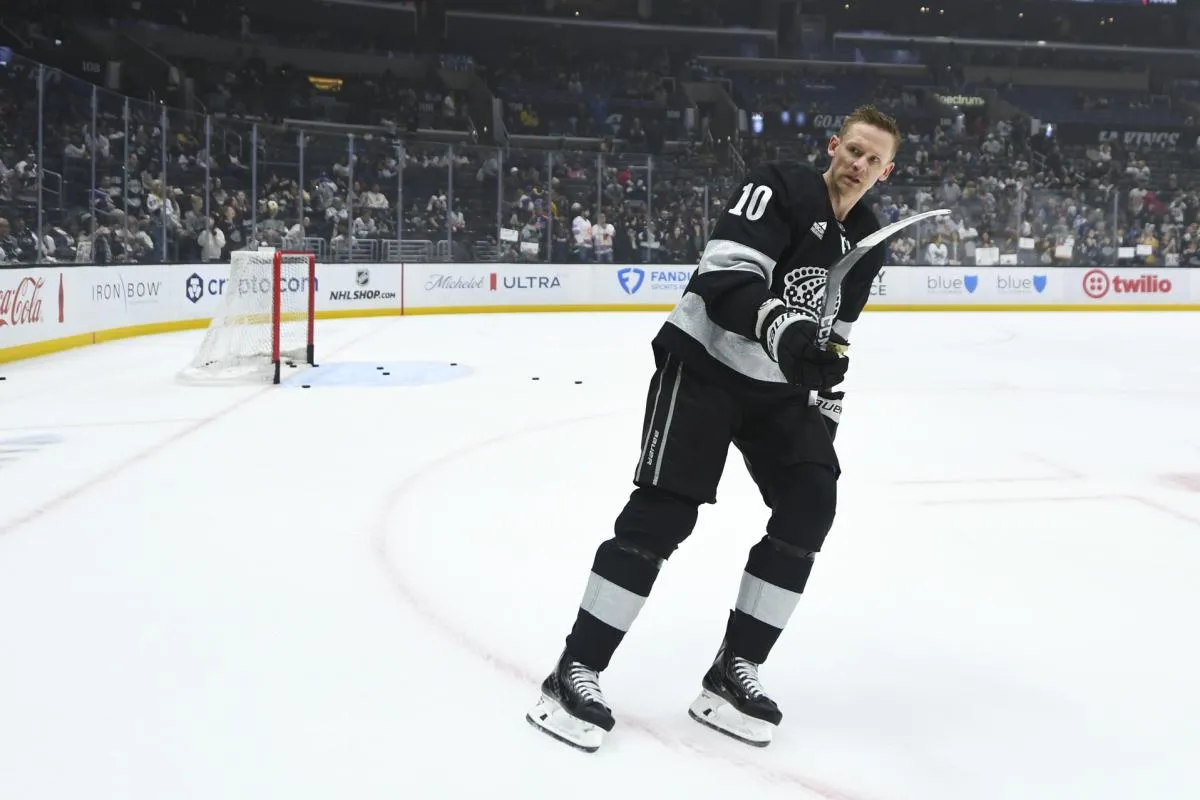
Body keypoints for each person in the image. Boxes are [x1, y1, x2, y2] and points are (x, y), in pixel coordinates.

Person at [526, 105, 901, 752]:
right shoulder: (777, 184)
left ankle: (732, 671)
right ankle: (574, 671)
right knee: (664, 514)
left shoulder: (868, 240)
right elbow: (725, 277)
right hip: (704, 366)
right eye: (853, 150)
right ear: (833, 145)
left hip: (777, 392)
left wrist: (822, 414)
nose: (858, 165)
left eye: (873, 159)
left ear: (886, 172)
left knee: (812, 499)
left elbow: (835, 338)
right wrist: (784, 329)